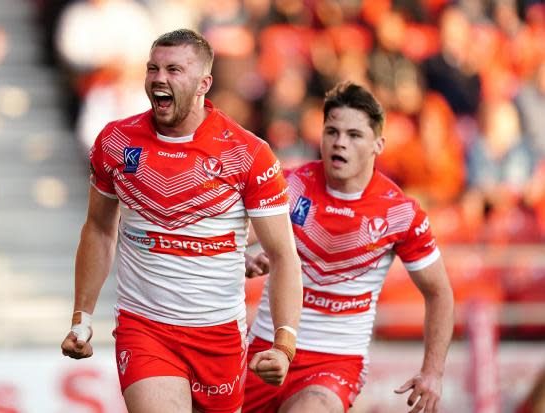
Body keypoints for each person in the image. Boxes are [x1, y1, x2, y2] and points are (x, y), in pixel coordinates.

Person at [60, 29, 303, 413]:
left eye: (174, 69)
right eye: (152, 68)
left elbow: (283, 254)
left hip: (219, 337)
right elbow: (99, 229)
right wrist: (81, 318)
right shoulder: (116, 142)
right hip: (146, 329)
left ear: (204, 83)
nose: (159, 78)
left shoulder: (248, 154)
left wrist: (284, 344)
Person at [243, 81, 454, 413]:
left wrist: (433, 372)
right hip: (266, 351)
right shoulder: (290, 185)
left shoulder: (400, 213)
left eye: (354, 135)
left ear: (378, 144)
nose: (340, 143)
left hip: (334, 364)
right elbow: (240, 234)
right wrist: (241, 256)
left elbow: (439, 292)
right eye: (332, 132)